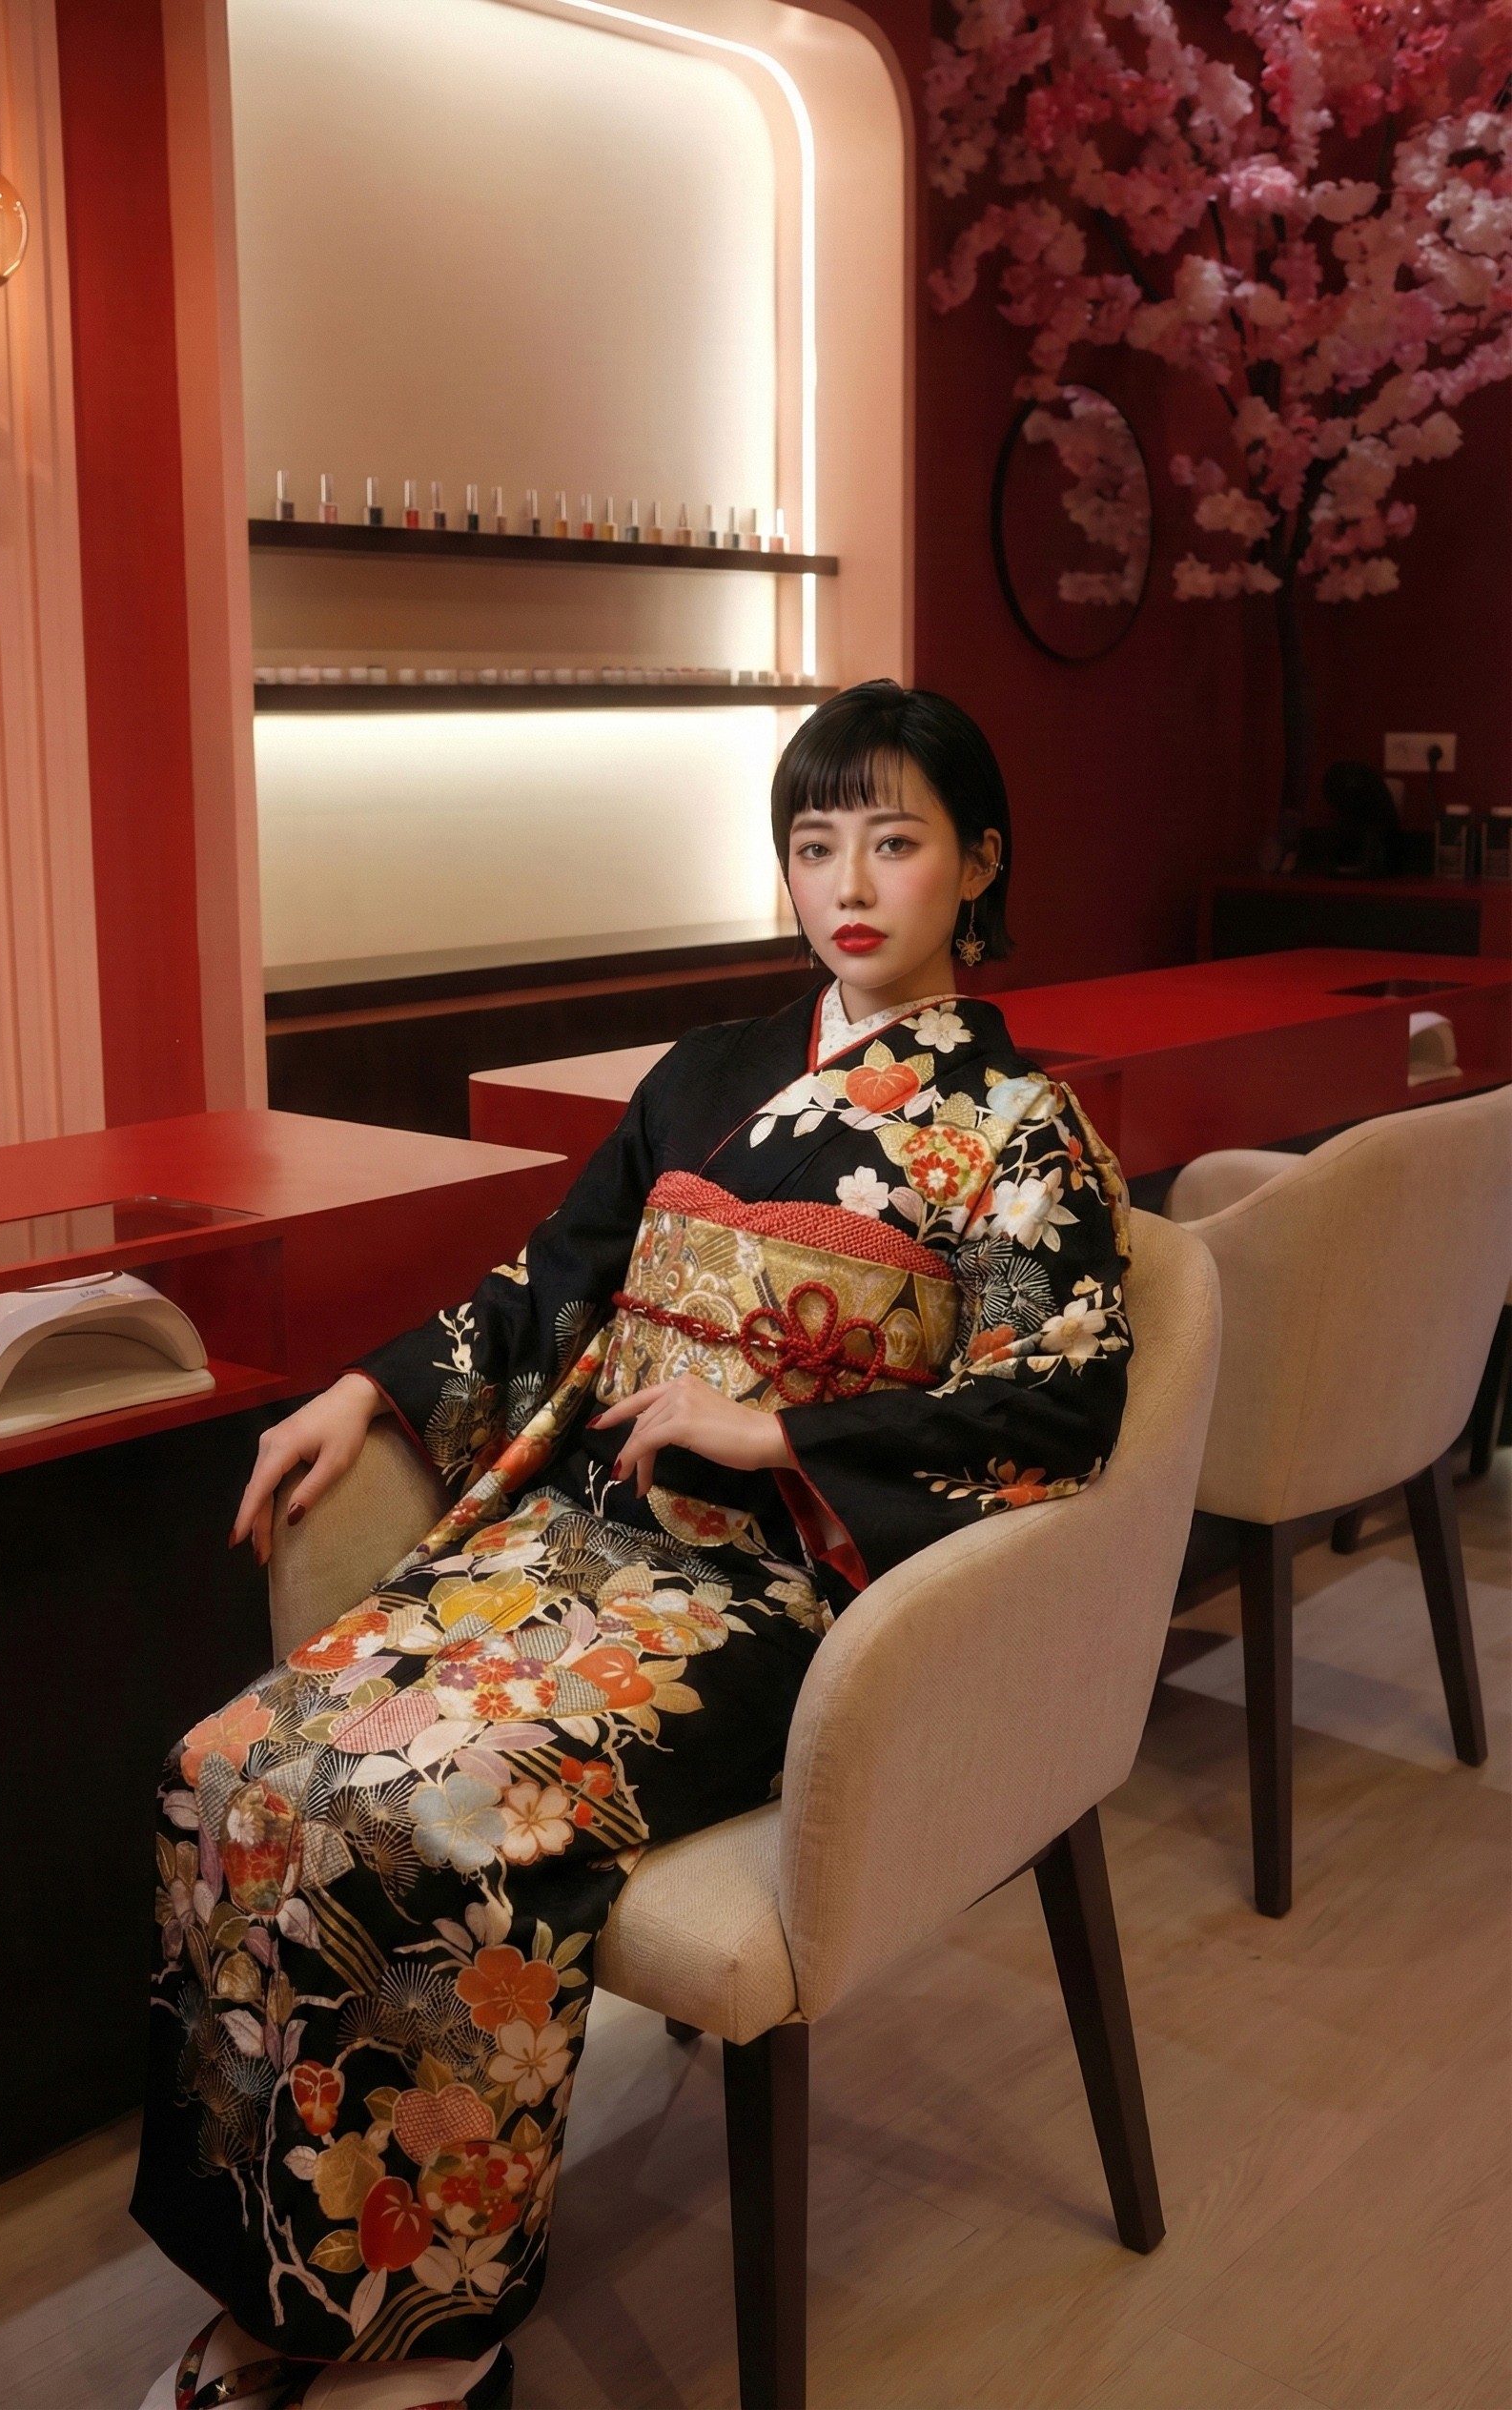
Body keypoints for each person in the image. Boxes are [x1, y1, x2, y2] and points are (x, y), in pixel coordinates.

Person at [134, 681, 1134, 2410]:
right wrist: (369, 1394)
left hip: (776, 1591)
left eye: (895, 839)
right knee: (244, 1766)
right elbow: (554, 1283)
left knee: (444, 1814)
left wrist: (789, 1435)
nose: (850, 880)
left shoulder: (1027, 1131)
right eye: (814, 843)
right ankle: (291, 2290)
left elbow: (1059, 1401)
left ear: (980, 862)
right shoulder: (710, 1073)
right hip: (576, 1544)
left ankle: (431, 2336)